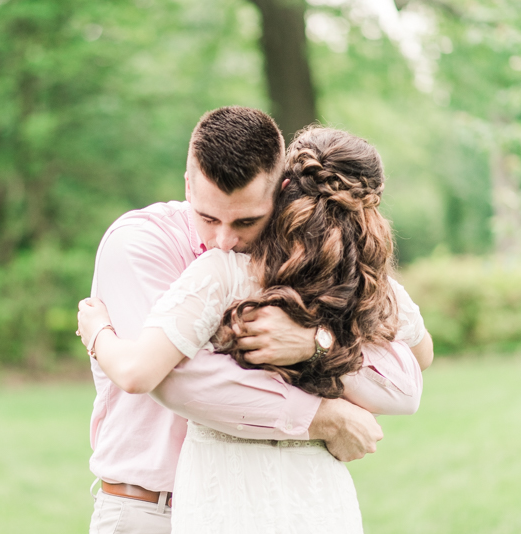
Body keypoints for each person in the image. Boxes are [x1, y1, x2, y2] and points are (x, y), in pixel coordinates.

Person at [83, 107, 432, 534]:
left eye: (247, 220)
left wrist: (314, 343)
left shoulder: (300, 263)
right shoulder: (141, 242)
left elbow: (406, 374)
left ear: (281, 191)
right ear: (188, 183)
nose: (224, 240)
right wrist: (323, 416)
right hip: (151, 508)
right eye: (208, 217)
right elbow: (176, 380)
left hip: (277, 501)